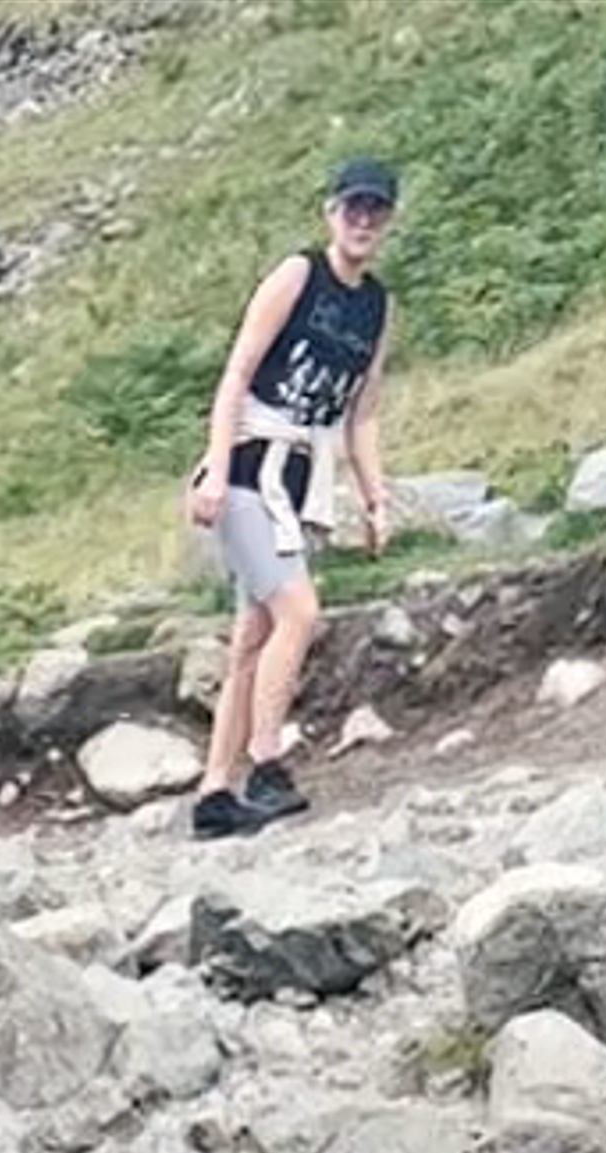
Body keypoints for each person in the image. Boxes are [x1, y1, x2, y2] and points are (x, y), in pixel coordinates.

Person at [187, 156, 399, 839]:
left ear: (387, 219)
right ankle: (266, 764)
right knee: (298, 612)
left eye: (376, 210)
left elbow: (362, 412)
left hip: (302, 474)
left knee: (255, 634)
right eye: (352, 207)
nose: (363, 220)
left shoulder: (377, 307)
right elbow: (239, 372)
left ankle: (215, 793)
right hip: (252, 464)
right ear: (331, 212)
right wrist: (216, 472)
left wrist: (374, 498)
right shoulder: (298, 275)